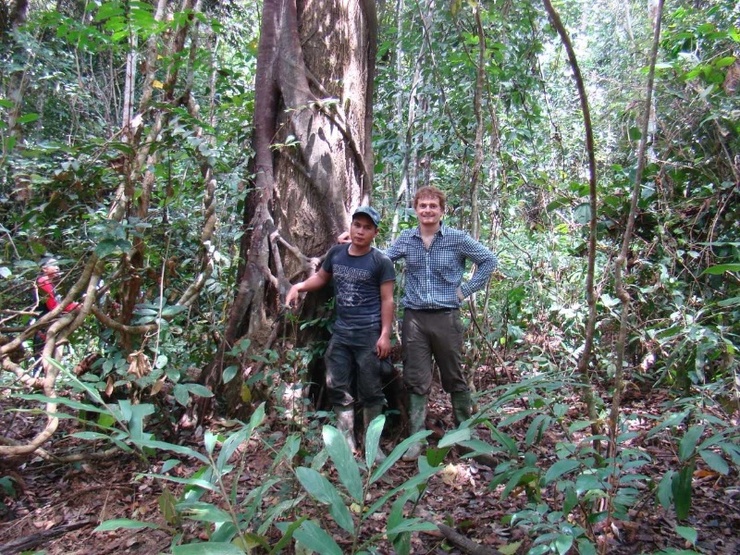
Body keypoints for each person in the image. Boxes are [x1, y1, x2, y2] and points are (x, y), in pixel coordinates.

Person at [384, 186, 498, 461]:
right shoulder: (407, 239)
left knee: (454, 377)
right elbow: (382, 258)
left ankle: (465, 438)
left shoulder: (456, 239)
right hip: (415, 320)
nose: (427, 210)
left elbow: (488, 260)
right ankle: (415, 441)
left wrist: (465, 291)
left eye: (433, 206)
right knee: (416, 380)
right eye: (422, 205)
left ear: (442, 210)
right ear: (415, 209)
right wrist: (353, 244)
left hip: (446, 318)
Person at [286, 207, 395, 461]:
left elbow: (387, 300)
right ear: (351, 227)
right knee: (337, 385)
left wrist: (385, 334)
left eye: (367, 228)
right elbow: (322, 278)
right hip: (342, 333)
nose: (360, 231)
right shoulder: (336, 253)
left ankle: (372, 445)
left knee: (371, 389)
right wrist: (299, 285)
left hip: (369, 333)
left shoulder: (381, 262)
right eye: (357, 225)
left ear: (375, 233)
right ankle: (346, 442)